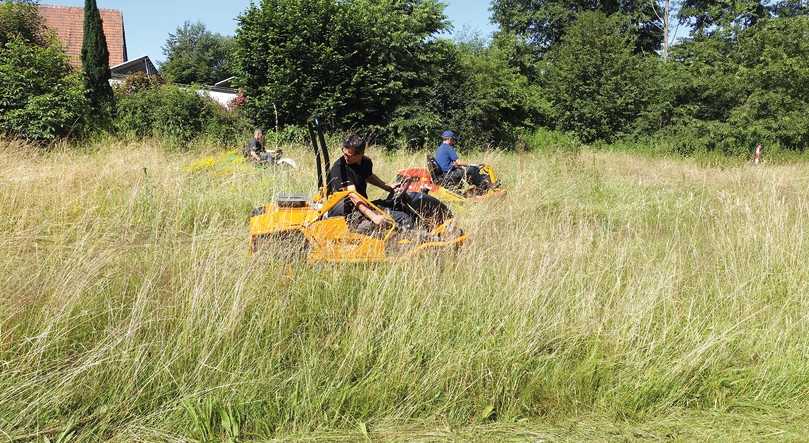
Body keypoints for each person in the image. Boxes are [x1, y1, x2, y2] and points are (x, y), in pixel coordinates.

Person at [327, 135, 395, 229]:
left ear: (360, 155)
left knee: (399, 215)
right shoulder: (339, 168)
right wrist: (374, 217)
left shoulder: (366, 162)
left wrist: (388, 187)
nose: (345, 157)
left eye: (349, 155)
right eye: (344, 153)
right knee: (376, 226)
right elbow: (353, 195)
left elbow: (369, 176)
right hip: (347, 214)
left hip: (363, 207)